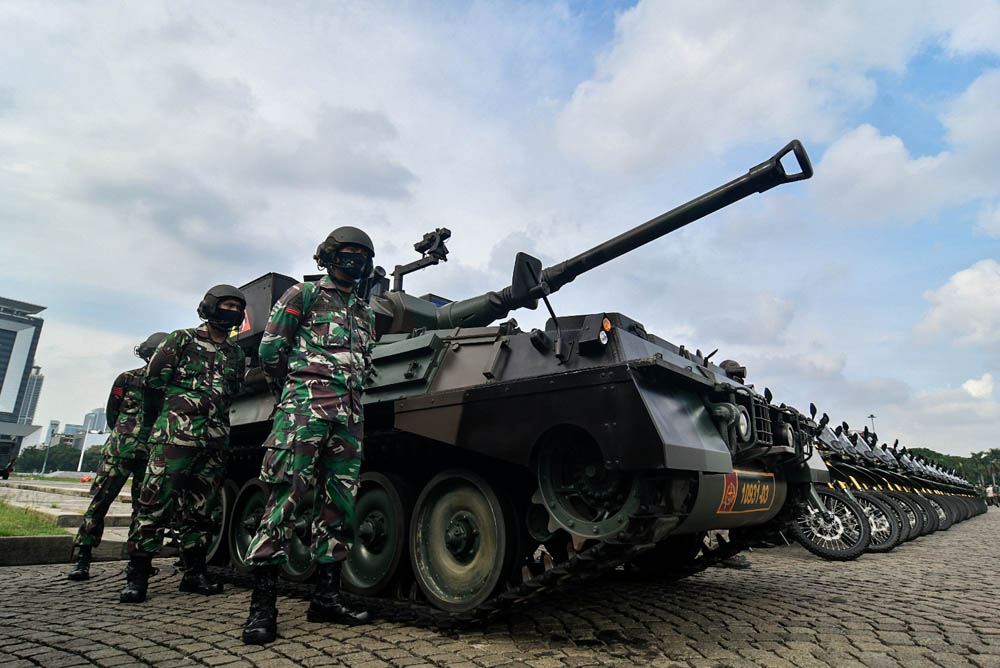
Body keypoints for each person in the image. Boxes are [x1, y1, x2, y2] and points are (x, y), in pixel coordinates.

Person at [242, 227, 376, 645]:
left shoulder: (365, 312)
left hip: (349, 416)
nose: (353, 260)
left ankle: (326, 599)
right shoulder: (302, 295)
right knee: (285, 498)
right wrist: (297, 390)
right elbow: (270, 351)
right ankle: (262, 609)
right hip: (304, 410)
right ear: (328, 256)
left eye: (360, 255)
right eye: (346, 253)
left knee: (339, 504)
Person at [119, 285, 247, 603]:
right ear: (210, 307)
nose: (231, 310)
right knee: (154, 506)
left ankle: (194, 574)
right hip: (174, 438)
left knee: (201, 510)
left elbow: (234, 392)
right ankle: (137, 576)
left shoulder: (236, 353)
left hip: (214, 442)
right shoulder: (181, 340)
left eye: (237, 306)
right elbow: (152, 384)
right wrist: (162, 423)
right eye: (226, 304)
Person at [67, 331, 167, 581]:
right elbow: (112, 413)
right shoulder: (127, 379)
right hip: (121, 452)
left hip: (147, 452)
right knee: (101, 502)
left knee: (142, 508)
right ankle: (83, 556)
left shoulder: (168, 385)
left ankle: (136, 561)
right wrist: (122, 435)